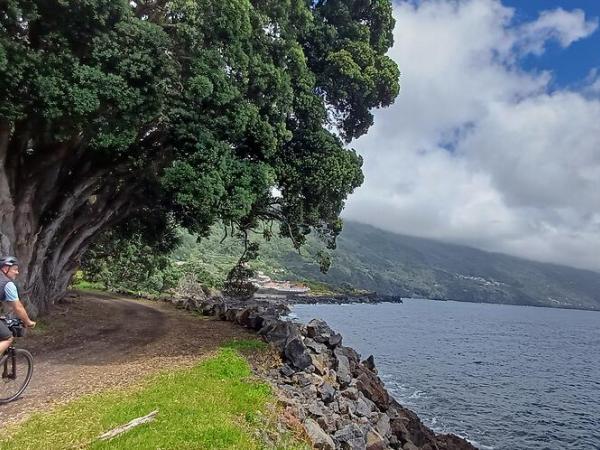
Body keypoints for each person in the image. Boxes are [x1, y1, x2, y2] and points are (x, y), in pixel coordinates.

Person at [0, 256, 36, 355]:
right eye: (15, 269)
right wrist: (28, 322)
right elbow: (18, 307)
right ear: (5, 268)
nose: (17, 272)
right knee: (7, 338)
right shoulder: (7, 284)